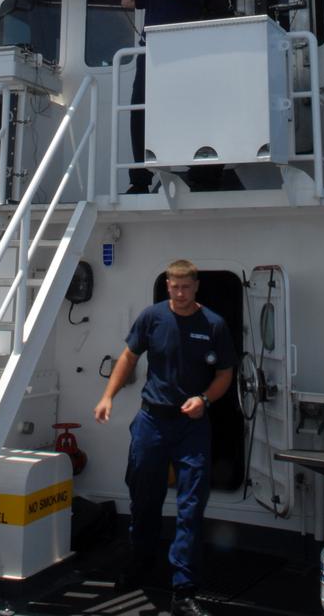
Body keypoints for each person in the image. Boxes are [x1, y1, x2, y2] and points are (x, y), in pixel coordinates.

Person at [94, 259, 235, 616]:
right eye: (174, 286)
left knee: (190, 506)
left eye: (186, 287)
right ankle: (139, 565)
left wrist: (204, 399)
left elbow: (224, 373)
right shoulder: (152, 317)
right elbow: (128, 356)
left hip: (191, 426)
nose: (181, 293)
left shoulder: (214, 324)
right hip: (151, 422)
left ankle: (183, 589)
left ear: (196, 286)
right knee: (143, 498)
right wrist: (108, 395)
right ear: (168, 286)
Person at [121, 0, 204, 192]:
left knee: (189, 111)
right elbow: (127, 1)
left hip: (182, 56)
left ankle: (201, 172)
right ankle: (140, 179)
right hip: (151, 56)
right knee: (140, 112)